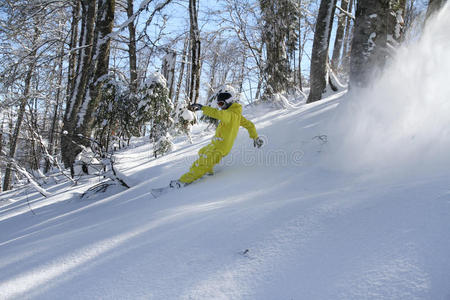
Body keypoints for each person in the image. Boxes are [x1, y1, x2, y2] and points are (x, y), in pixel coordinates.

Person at [170, 85, 264, 188]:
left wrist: (203, 108)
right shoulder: (237, 116)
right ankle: (208, 171)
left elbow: (218, 114)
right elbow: (250, 125)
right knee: (202, 152)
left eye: (221, 104)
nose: (220, 107)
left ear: (228, 102)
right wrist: (255, 137)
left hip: (221, 146)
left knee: (203, 162)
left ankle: (182, 182)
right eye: (218, 104)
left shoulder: (229, 115)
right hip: (217, 143)